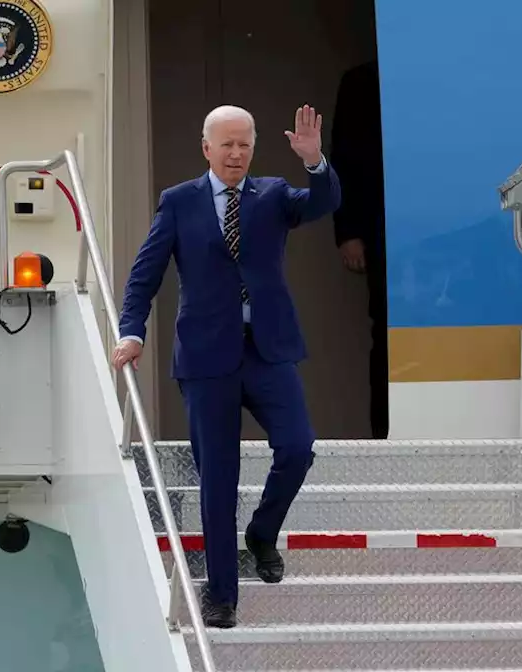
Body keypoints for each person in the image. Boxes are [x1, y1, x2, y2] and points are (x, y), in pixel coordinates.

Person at [113, 104, 341, 628]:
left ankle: (262, 532)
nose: (237, 153)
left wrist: (314, 162)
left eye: (245, 144)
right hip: (205, 357)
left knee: (297, 447)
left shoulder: (275, 195)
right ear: (206, 148)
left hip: (268, 350)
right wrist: (132, 331)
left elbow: (325, 202)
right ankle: (222, 596)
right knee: (219, 477)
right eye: (227, 144)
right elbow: (144, 275)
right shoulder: (179, 203)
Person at [330, 59, 388, 439]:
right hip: (377, 224)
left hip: (439, 224)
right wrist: (348, 230)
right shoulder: (361, 79)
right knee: (383, 328)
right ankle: (383, 431)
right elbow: (344, 158)